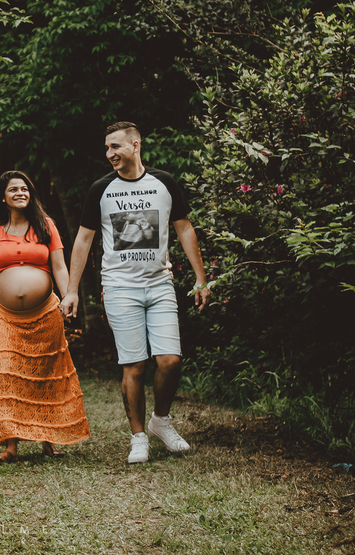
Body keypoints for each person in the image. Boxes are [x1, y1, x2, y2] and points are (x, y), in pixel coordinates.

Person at [62, 122, 210, 464]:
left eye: (116, 147)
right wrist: (71, 290)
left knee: (170, 361)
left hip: (160, 284)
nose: (110, 154)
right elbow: (84, 240)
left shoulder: (164, 182)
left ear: (135, 145)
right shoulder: (101, 189)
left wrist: (201, 279)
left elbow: (185, 229)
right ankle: (138, 436)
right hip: (119, 287)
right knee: (135, 365)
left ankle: (161, 421)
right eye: (107, 149)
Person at [0, 170, 91, 463]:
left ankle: (48, 441)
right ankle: (11, 447)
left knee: (45, 374)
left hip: (45, 313)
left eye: (24, 188)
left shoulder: (46, 226)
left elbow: (60, 267)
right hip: (3, 315)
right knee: (8, 375)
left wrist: (68, 297)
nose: (20, 193)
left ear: (31, 193)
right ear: (3, 197)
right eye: (13, 189)